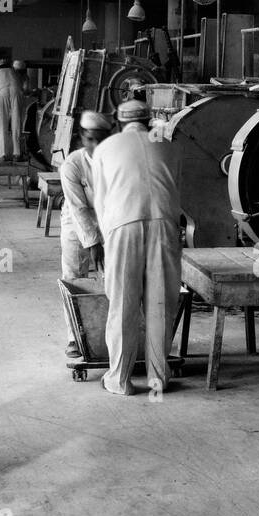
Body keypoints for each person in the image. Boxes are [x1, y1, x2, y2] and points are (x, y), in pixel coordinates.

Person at [90, 98, 182, 396]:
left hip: (122, 224)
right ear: (150, 120)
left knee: (123, 303)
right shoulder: (168, 145)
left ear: (118, 123)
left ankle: (120, 379)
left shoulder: (105, 148)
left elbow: (101, 201)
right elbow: (175, 187)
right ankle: (158, 377)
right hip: (165, 223)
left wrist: (108, 240)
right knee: (160, 304)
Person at [59, 111, 113, 357]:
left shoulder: (115, 160)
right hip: (74, 222)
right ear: (82, 138)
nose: (95, 145)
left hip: (107, 222)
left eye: (100, 139)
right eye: (90, 139)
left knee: (110, 279)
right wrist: (93, 243)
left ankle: (108, 337)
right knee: (74, 278)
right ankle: (74, 338)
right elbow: (79, 208)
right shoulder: (72, 164)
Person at [0, 57, 24, 161]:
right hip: (16, 92)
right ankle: (17, 154)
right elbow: (21, 87)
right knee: (16, 124)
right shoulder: (14, 72)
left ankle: (3, 154)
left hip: (1, 93)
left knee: (2, 125)